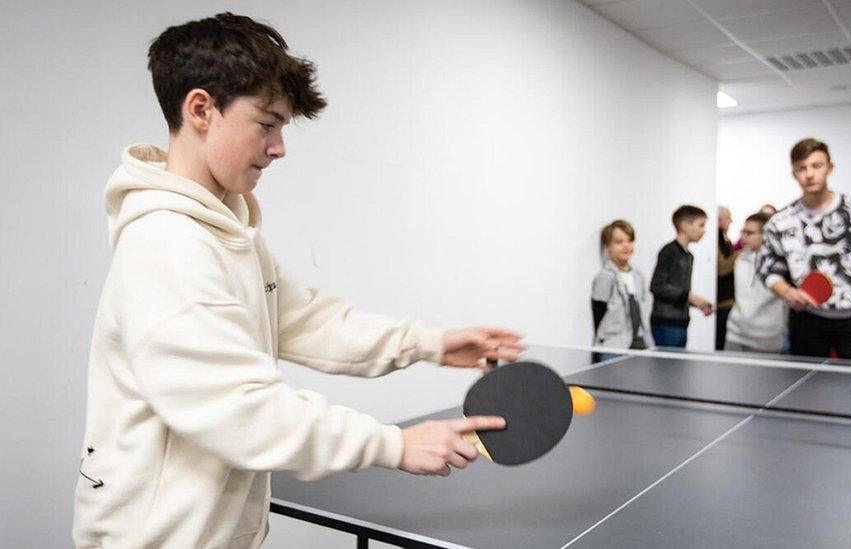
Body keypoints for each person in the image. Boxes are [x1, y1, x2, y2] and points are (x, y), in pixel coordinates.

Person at [73, 13, 524, 548]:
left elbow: (306, 321)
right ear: (201, 109)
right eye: (267, 123)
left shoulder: (227, 228)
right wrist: (393, 445)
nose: (280, 146)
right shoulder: (167, 245)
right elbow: (241, 408)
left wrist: (430, 344)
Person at [758, 138, 851, 361]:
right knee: (806, 392)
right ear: (794, 173)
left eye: (816, 166)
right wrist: (788, 292)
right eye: (802, 168)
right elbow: (769, 270)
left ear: (830, 168)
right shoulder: (781, 222)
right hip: (807, 320)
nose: (809, 174)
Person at [650, 205, 714, 348]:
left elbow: (679, 291)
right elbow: (657, 286)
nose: (703, 230)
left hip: (681, 321)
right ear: (685, 225)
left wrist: (698, 303)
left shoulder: (689, 256)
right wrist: (690, 296)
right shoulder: (669, 251)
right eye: (701, 225)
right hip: (666, 322)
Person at [725, 213, 786, 353]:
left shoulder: (780, 264)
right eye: (743, 232)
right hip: (735, 334)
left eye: (750, 233)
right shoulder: (740, 259)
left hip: (766, 338)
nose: (743, 237)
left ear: (766, 235)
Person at [591, 220, 650, 360]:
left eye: (630, 241)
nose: (626, 246)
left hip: (640, 343)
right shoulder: (605, 276)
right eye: (619, 242)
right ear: (607, 246)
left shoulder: (638, 276)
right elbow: (598, 312)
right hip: (614, 346)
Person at [715, 206, 735, 350]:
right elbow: (721, 268)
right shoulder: (714, 240)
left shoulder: (725, 240)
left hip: (729, 302)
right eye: (728, 217)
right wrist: (741, 255)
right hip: (722, 303)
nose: (731, 220)